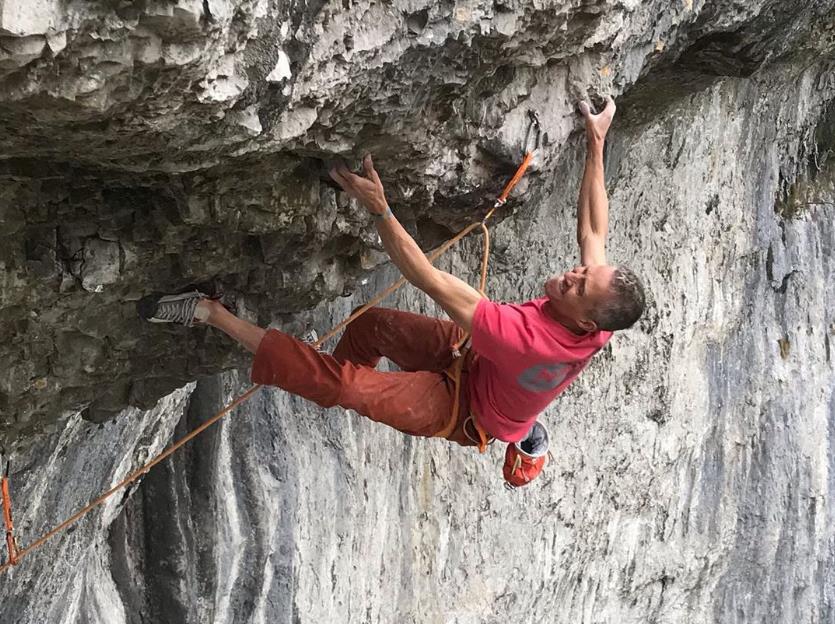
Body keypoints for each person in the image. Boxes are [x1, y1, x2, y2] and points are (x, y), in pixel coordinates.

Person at [139, 97, 645, 486]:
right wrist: (596, 141)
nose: (572, 275)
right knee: (368, 324)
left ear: (584, 321)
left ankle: (211, 313)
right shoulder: (597, 313)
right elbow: (594, 232)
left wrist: (379, 209)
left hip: (459, 407)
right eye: (582, 274)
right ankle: (320, 377)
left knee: (346, 386)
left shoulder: (524, 338)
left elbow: (427, 277)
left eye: (578, 287)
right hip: (477, 360)